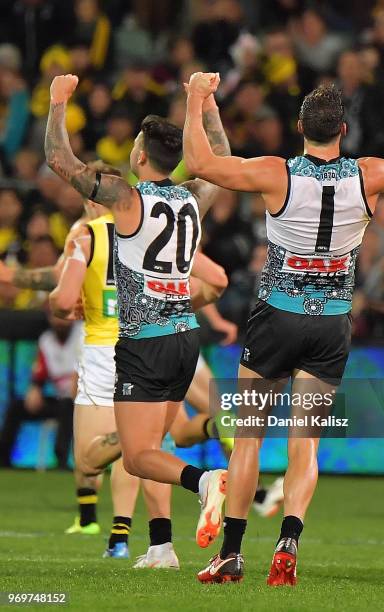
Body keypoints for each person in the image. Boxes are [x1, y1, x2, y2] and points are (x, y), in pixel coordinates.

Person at [182, 69, 384, 584]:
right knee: (307, 443)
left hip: (277, 318)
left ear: (300, 126)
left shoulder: (277, 173)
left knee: (250, 438)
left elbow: (203, 163)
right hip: (330, 324)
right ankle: (289, 540)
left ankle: (231, 554)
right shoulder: (368, 175)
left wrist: (195, 98)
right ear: (344, 131)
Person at [44, 73, 232, 550]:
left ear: (141, 156)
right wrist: (205, 104)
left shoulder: (126, 200)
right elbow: (222, 160)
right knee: (161, 442)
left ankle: (204, 482)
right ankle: (161, 548)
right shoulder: (192, 195)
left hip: (143, 341)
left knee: (137, 457)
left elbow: (58, 160)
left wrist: (58, 103)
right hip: (186, 337)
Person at [0, 314, 78, 469]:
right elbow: (39, 375)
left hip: (83, 399)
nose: (60, 322)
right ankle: (4, 459)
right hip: (60, 398)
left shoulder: (83, 335)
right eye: (56, 317)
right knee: (17, 407)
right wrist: (34, 389)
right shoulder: (46, 340)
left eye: (63, 317)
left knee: (67, 405)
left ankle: (62, 461)